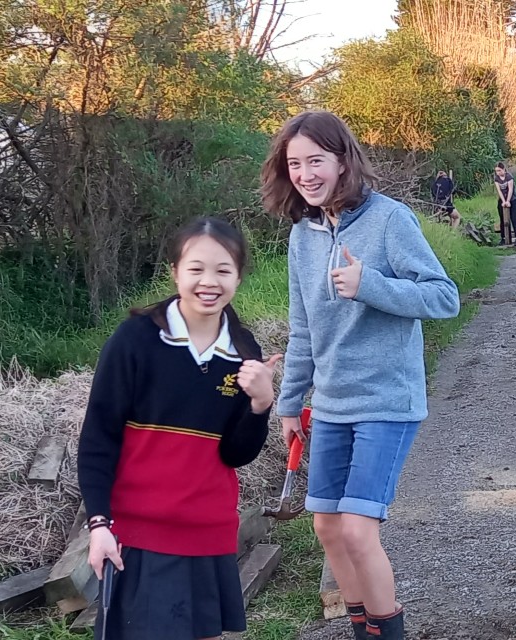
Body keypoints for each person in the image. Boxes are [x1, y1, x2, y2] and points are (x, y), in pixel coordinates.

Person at [262, 110, 460, 640]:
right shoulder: (302, 237)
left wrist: (370, 283)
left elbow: (444, 298)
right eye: (295, 164)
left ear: (344, 160)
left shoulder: (390, 220)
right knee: (326, 524)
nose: (305, 174)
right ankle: (362, 630)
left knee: (356, 527)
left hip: (385, 401)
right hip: (329, 405)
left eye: (316, 161)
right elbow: (302, 329)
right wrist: (288, 404)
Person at [77, 216, 278, 640]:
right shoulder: (135, 340)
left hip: (209, 530)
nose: (210, 282)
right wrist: (99, 525)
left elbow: (235, 454)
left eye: (223, 270)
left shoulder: (244, 351)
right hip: (140, 533)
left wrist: (261, 403)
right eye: (196, 269)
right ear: (174, 272)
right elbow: (98, 439)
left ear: (239, 276)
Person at [494, 162, 516, 246]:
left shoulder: (509, 177)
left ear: (504, 169)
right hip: (502, 199)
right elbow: (499, 190)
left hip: (512, 199)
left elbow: (510, 190)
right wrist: (503, 201)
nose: (498, 173)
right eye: (496, 171)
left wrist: (508, 201)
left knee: (514, 218)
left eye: (499, 170)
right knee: (502, 219)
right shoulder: (496, 178)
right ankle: (503, 237)